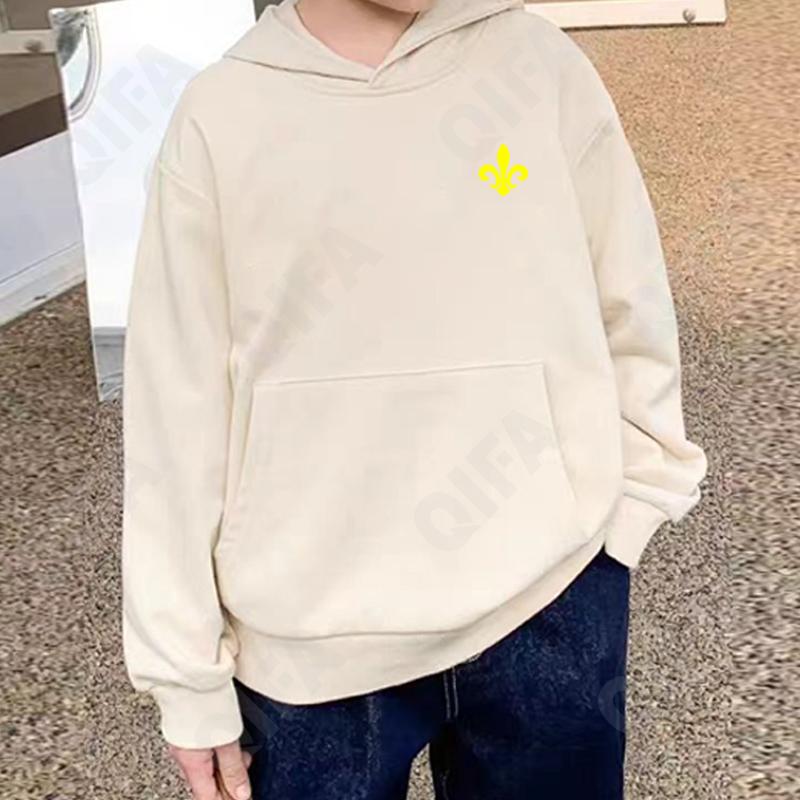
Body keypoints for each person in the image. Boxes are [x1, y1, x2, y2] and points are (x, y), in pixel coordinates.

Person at [121, 1, 707, 798]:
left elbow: (630, 300)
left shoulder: (540, 67)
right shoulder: (222, 114)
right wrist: (184, 677)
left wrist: (633, 507)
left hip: (553, 594)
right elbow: (175, 410)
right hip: (310, 647)